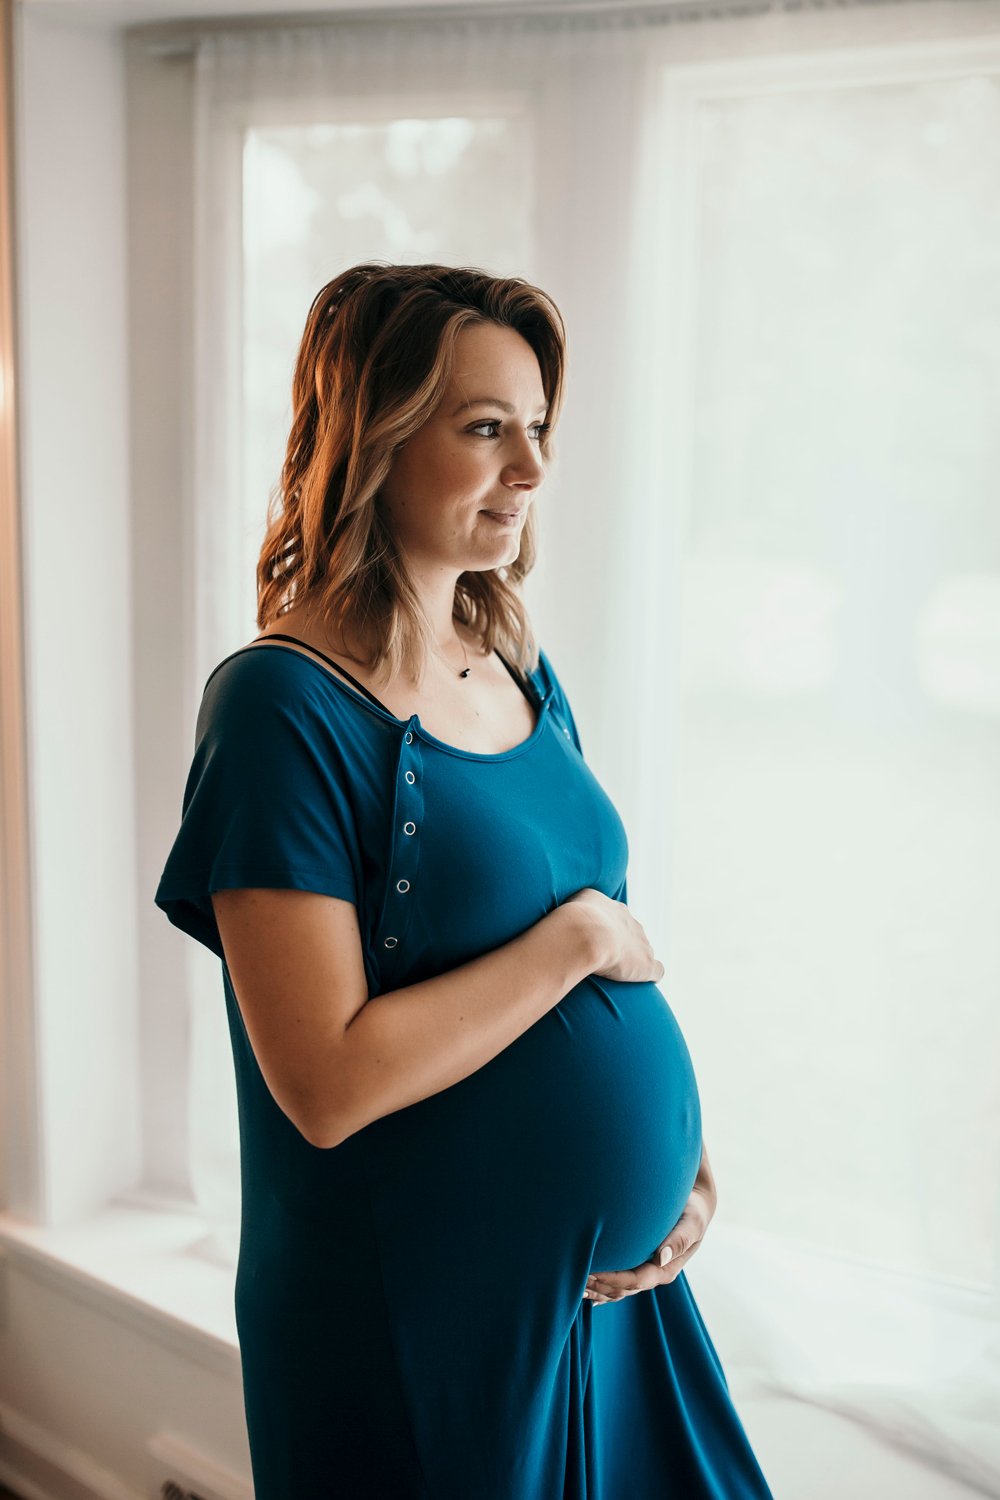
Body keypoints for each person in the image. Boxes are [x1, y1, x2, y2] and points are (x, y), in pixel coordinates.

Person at [155, 262, 774, 1499]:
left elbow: (570, 903)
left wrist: (681, 1153)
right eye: (486, 428)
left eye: (536, 428)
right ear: (375, 442)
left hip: (609, 1302)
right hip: (426, 1329)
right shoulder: (279, 709)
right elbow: (324, 1083)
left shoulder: (510, 655)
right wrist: (584, 947)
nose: (532, 470)